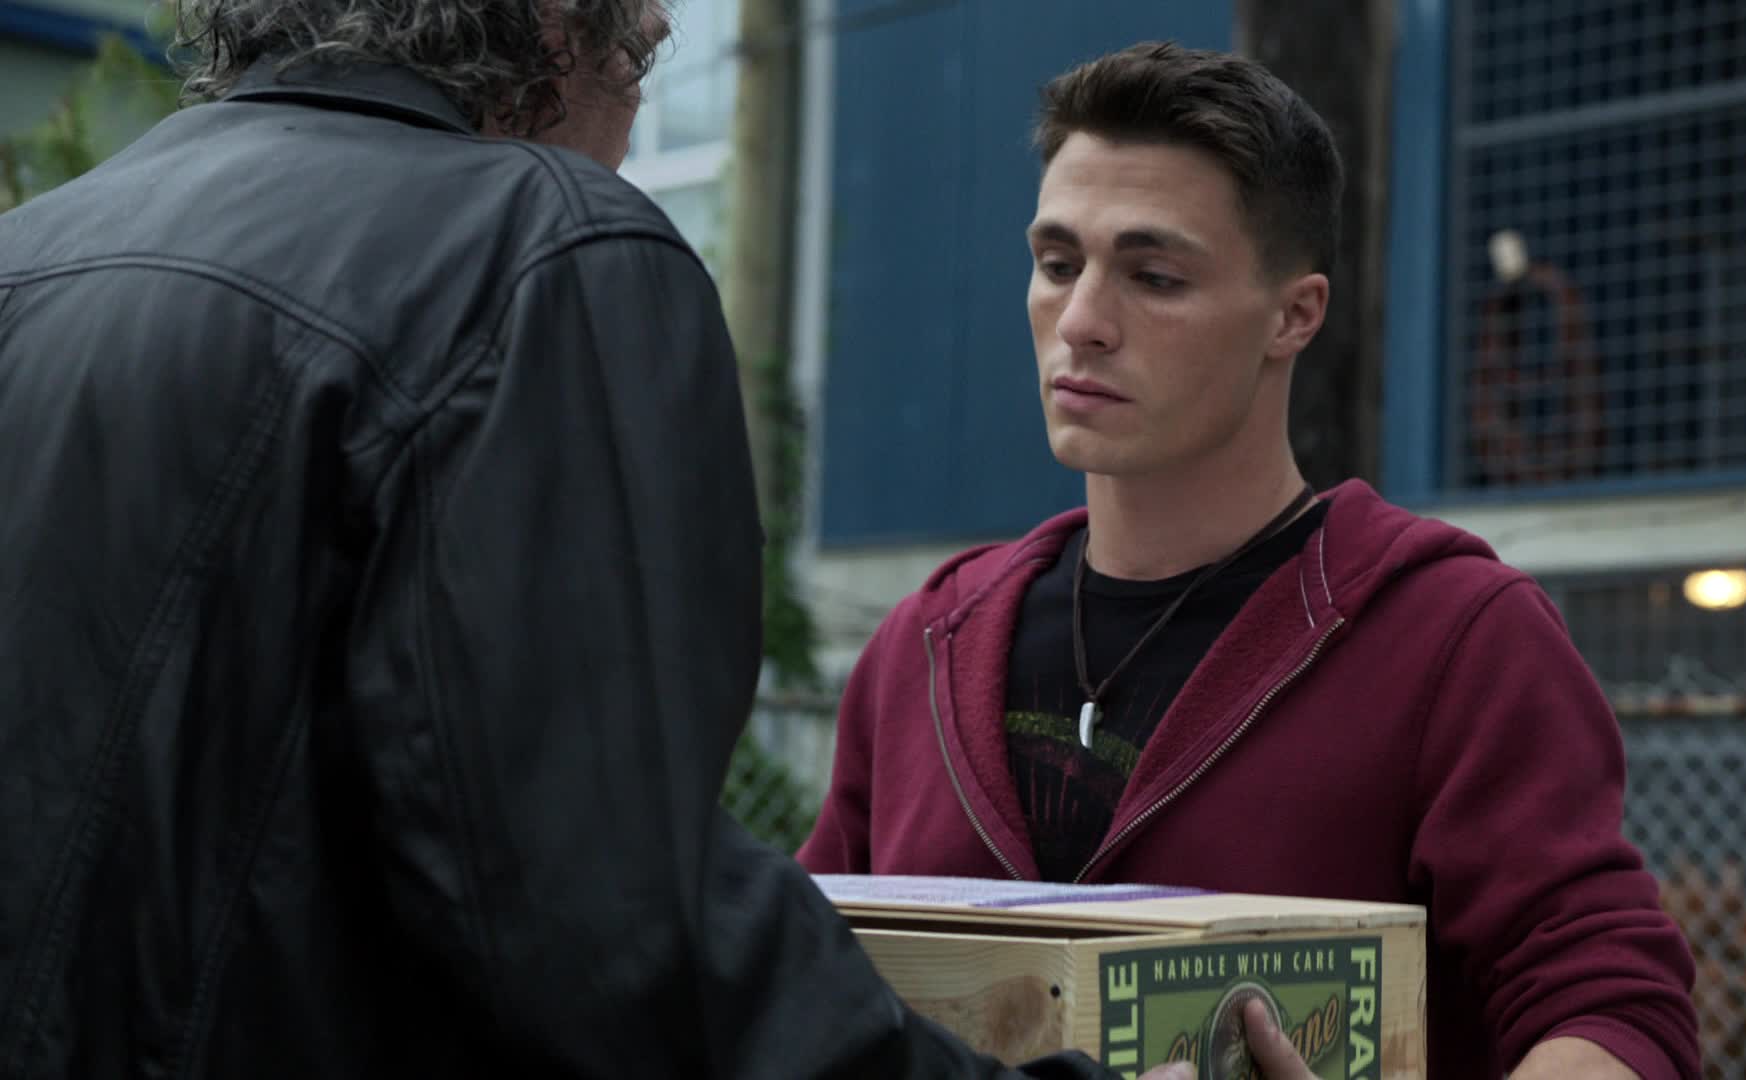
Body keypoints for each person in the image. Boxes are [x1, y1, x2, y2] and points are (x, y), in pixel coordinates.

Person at [0, 5, 1305, 1077]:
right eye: (648, 47)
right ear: (561, 28)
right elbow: (607, 932)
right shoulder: (533, 248)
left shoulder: (33, 255)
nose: (628, 141)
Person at [799, 41, 1702, 1080]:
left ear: (1293, 314)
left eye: (1154, 276)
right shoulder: (928, 644)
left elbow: (1617, 1009)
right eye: (1057, 264)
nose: (1081, 323)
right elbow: (803, 979)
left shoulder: (1451, 636)